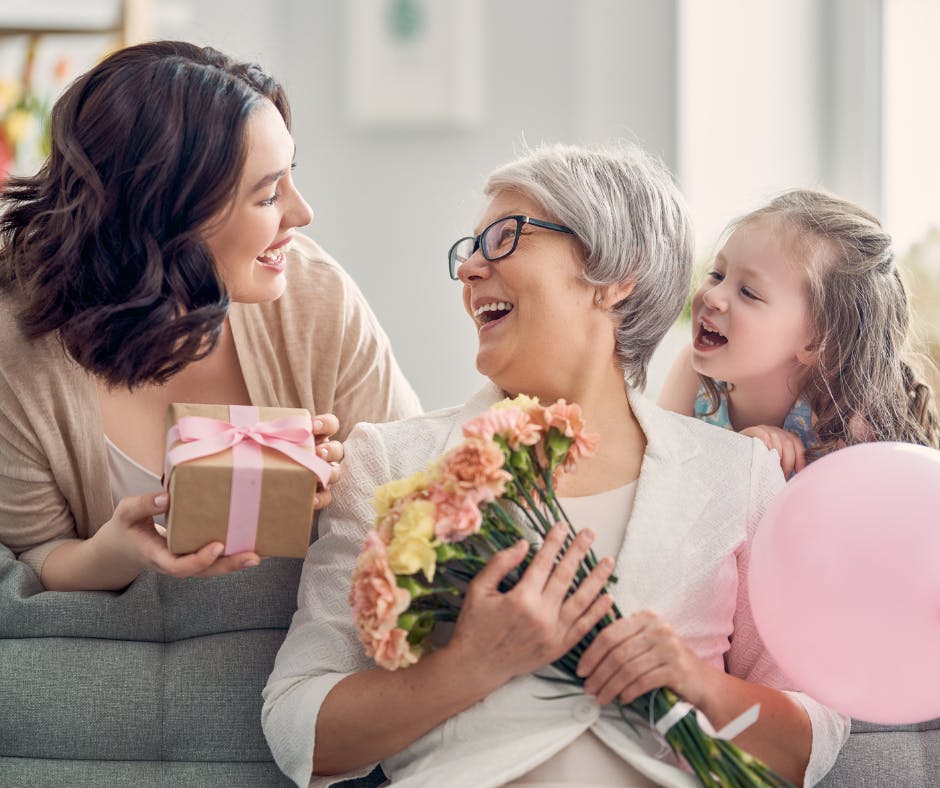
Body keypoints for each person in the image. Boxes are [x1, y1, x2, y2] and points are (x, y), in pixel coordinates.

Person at [262, 144, 849, 788]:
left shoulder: (739, 475)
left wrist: (697, 682)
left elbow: (810, 741)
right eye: (470, 247)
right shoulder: (390, 461)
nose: (470, 269)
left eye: (506, 237)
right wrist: (468, 667)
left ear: (618, 274)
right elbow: (299, 725)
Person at [0, 41, 421, 591]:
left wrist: (346, 487)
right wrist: (120, 550)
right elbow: (36, 553)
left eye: (289, 176)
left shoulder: (316, 298)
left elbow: (415, 499)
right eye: (269, 195)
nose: (303, 213)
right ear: (169, 216)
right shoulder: (18, 348)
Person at [657, 189, 939, 477]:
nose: (713, 296)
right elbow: (658, 480)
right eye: (717, 275)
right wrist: (738, 459)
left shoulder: (842, 424)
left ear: (817, 342)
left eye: (748, 293)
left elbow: (853, 519)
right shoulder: (695, 376)